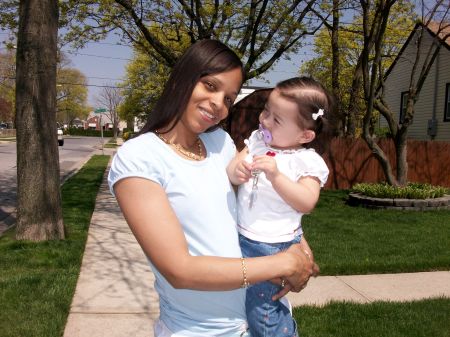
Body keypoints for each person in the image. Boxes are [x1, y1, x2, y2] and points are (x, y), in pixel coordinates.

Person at [108, 40, 317, 337]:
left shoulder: (220, 144)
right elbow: (179, 270)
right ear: (183, 78)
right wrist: (281, 263)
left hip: (262, 319)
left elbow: (258, 202)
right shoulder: (139, 157)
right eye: (209, 85)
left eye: (229, 98)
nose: (219, 104)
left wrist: (299, 248)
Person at [227, 76, 335, 337]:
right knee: (246, 306)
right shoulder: (256, 141)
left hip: (274, 245)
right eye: (266, 111)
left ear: (305, 135)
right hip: (244, 236)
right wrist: (237, 170)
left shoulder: (305, 161)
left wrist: (276, 177)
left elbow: (307, 202)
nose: (264, 120)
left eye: (276, 120)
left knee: (263, 313)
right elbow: (232, 169)